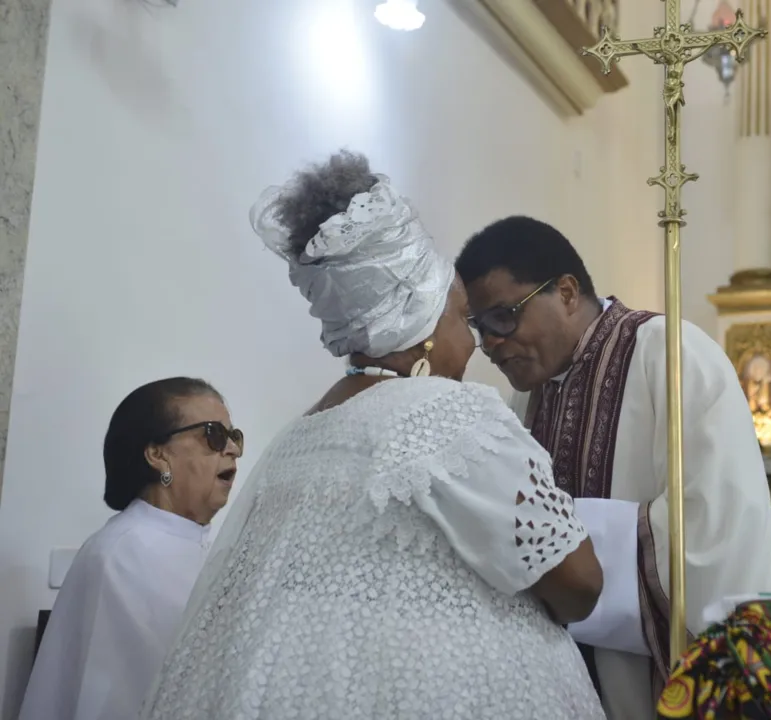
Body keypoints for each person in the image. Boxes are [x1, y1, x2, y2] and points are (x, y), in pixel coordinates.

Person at [140, 152, 605, 720]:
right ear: (419, 328)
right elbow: (578, 583)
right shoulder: (447, 415)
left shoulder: (305, 431)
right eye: (461, 317)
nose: (475, 341)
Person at [455, 216, 771, 720]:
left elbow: (718, 531)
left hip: (660, 683)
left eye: (504, 317)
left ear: (565, 292)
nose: (492, 343)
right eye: (480, 327)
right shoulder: (527, 399)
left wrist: (562, 547)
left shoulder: (672, 353)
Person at [19, 378, 243, 720]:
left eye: (234, 436)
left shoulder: (211, 546)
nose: (232, 449)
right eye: (213, 434)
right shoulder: (122, 554)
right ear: (158, 454)